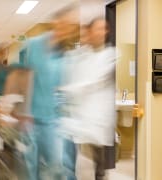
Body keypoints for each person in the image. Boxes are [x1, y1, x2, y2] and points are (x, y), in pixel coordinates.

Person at [19, 3, 80, 180]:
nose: (68, 29)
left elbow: (65, 88)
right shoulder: (34, 45)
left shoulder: (66, 53)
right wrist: (24, 113)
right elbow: (26, 79)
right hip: (32, 119)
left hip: (54, 121)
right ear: (56, 22)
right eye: (66, 23)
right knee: (32, 169)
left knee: (59, 168)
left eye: (72, 26)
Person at [58, 17, 116, 180]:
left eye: (104, 29)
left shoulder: (110, 55)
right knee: (72, 158)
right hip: (78, 115)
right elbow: (73, 76)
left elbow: (93, 82)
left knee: (98, 162)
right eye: (97, 28)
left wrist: (66, 90)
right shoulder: (82, 55)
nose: (101, 32)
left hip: (97, 118)